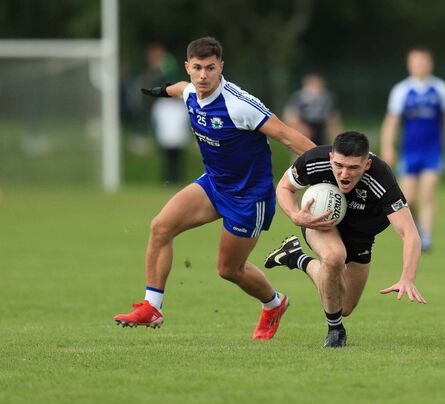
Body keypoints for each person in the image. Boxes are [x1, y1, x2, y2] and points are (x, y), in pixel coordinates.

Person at [114, 37, 316, 340]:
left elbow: (287, 135)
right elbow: (179, 88)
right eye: (197, 68)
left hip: (249, 198)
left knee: (228, 269)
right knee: (160, 227)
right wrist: (159, 91)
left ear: (221, 66)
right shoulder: (190, 91)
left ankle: (274, 304)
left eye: (210, 68)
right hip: (214, 184)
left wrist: (326, 164)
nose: (204, 75)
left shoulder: (239, 106)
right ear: (188, 67)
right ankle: (151, 307)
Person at [264, 131, 426, 348]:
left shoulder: (381, 177)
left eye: (353, 168)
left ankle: (296, 257)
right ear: (331, 157)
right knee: (334, 257)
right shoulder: (314, 160)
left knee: (345, 305)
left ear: (366, 165)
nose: (344, 174)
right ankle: (335, 331)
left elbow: (410, 233)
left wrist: (407, 277)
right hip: (322, 223)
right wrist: (295, 214)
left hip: (361, 235)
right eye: (339, 165)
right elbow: (284, 187)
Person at [380, 46, 445, 252]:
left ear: (430, 64)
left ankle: (426, 237)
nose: (420, 65)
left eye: (423, 62)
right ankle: (417, 226)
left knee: (428, 193)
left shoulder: (441, 90)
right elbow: (391, 122)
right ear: (409, 65)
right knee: (408, 198)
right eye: (416, 62)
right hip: (409, 153)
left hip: (433, 152)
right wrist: (387, 147)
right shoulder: (401, 90)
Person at [145, 43, 190, 184]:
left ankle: (175, 180)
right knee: (168, 160)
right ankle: (167, 180)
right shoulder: (162, 105)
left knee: (177, 161)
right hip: (166, 137)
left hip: (177, 137)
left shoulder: (168, 66)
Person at [283, 73, 342, 147]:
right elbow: (290, 116)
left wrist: (335, 138)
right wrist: (299, 128)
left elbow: (333, 120)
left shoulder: (327, 99)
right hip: (304, 128)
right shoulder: (298, 98)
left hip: (320, 128)